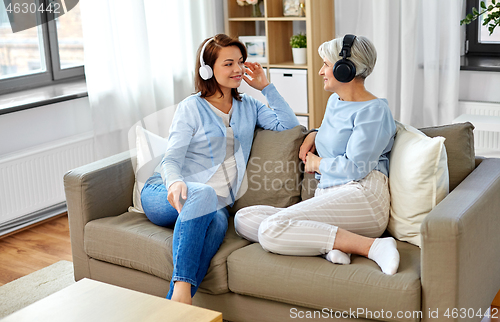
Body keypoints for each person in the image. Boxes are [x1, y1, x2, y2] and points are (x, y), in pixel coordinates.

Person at [140, 34, 299, 304]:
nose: (238, 70)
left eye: (240, 62)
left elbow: (288, 125)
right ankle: (181, 297)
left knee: (214, 221)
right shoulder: (191, 108)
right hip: (166, 193)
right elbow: (171, 159)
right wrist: (175, 182)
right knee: (202, 194)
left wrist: (266, 87)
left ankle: (174, 306)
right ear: (207, 69)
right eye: (228, 64)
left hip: (215, 206)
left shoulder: (249, 106)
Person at [234, 34, 400, 275]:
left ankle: (374, 246)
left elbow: (356, 166)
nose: (321, 71)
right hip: (330, 196)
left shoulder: (375, 111)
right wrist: (314, 133)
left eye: (326, 64)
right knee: (243, 219)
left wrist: (317, 163)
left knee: (270, 230)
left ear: (346, 69)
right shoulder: (336, 101)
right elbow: (339, 133)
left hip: (362, 196)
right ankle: (333, 244)